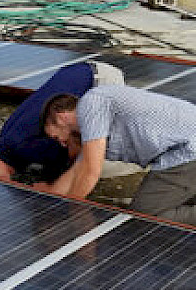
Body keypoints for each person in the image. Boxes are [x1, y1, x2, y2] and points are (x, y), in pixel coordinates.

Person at [41, 86, 196, 225]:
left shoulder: (91, 104)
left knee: (143, 216)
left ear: (61, 117)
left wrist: (72, 213)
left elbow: (90, 171)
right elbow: (77, 171)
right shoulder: (93, 132)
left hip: (187, 150)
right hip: (184, 148)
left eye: (55, 137)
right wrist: (48, 197)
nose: (61, 144)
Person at [0, 60, 124, 182]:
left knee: (102, 161)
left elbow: (70, 158)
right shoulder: (7, 141)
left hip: (98, 81)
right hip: (80, 70)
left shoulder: (23, 149)